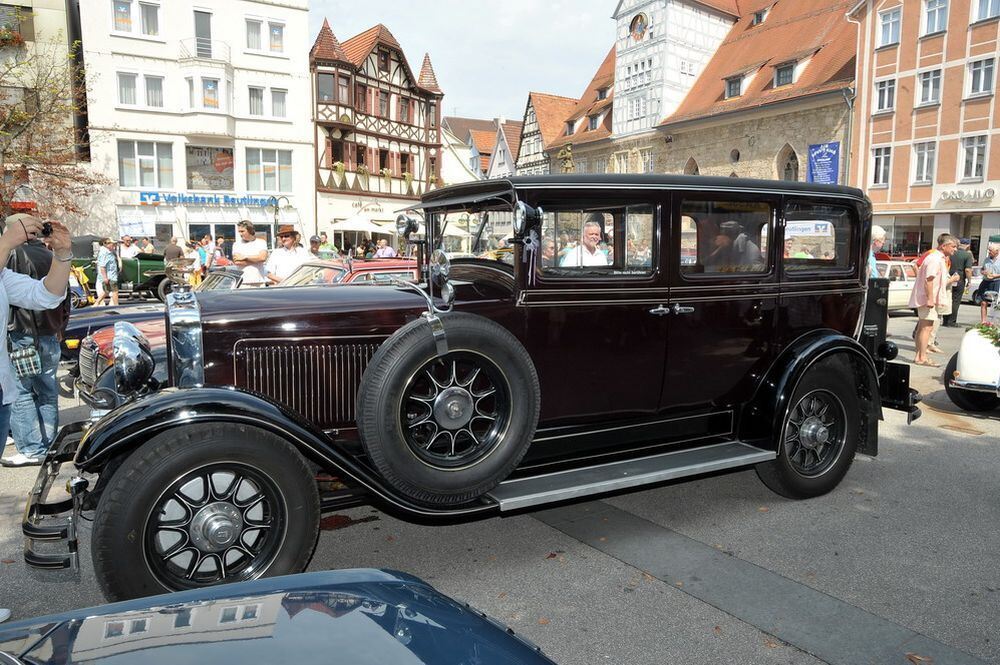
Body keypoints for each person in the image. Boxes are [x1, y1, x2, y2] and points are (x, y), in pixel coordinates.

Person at [0, 214, 72, 468]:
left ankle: (36, 448)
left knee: (35, 392)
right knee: (44, 392)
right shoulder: (8, 251)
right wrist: (6, 244)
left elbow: (46, 295)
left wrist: (63, 254)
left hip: (21, 345)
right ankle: (40, 445)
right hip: (43, 335)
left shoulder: (6, 269)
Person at [909, 234, 958, 367]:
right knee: (927, 327)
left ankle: (920, 356)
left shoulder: (937, 258)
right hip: (927, 299)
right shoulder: (935, 259)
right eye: (953, 246)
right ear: (944, 246)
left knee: (923, 327)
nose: (955, 249)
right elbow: (928, 280)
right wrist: (930, 299)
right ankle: (922, 357)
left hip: (928, 298)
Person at [943, 238, 974, 327]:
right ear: (968, 245)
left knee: (949, 298)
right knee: (956, 300)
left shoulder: (951, 253)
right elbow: (968, 270)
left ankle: (945, 320)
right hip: (959, 278)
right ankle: (951, 321)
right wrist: (969, 281)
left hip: (949, 276)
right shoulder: (967, 255)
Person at [233, 220, 268, 287]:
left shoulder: (261, 242)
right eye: (239, 231)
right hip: (243, 282)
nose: (240, 234)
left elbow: (263, 258)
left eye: (242, 231)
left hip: (259, 281)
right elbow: (238, 262)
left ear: (250, 230)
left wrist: (245, 257)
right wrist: (257, 260)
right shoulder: (236, 244)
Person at [92, 237, 119, 306]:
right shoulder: (105, 253)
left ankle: (96, 303)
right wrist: (105, 277)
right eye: (111, 243)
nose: (113, 245)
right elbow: (102, 266)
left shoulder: (109, 252)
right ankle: (116, 305)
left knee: (106, 291)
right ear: (105, 244)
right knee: (115, 291)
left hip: (111, 275)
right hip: (110, 276)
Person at [980, 242, 1000, 324]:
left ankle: (994, 321)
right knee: (983, 302)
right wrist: (983, 272)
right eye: (989, 250)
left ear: (997, 251)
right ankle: (983, 321)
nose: (989, 252)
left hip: (996, 282)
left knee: (995, 304)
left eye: (991, 251)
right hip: (986, 282)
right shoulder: (987, 259)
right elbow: (982, 269)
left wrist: (995, 276)